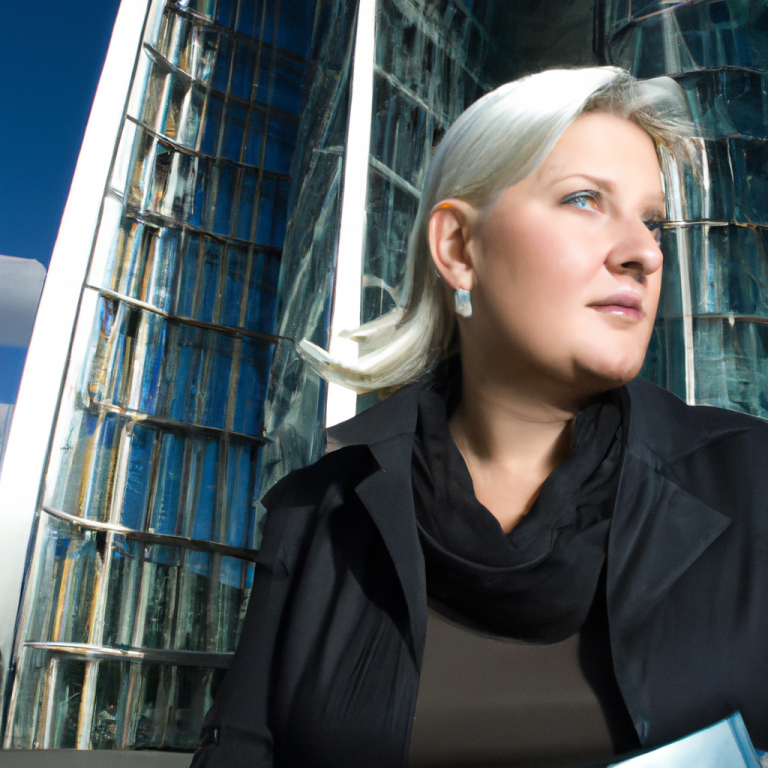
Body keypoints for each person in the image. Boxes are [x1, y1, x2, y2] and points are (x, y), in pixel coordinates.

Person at [190, 67, 768, 768]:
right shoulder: (317, 515)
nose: (644, 253)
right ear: (459, 249)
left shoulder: (752, 481)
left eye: (652, 222)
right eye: (584, 200)